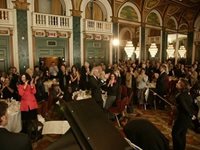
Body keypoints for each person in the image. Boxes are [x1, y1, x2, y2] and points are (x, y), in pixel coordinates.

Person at [172, 78, 195, 150]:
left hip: (183, 117)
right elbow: (188, 105)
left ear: (182, 86)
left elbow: (185, 107)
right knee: (182, 134)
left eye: (178, 83)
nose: (176, 83)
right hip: (187, 118)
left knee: (175, 133)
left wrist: (191, 115)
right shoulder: (187, 93)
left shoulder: (180, 95)